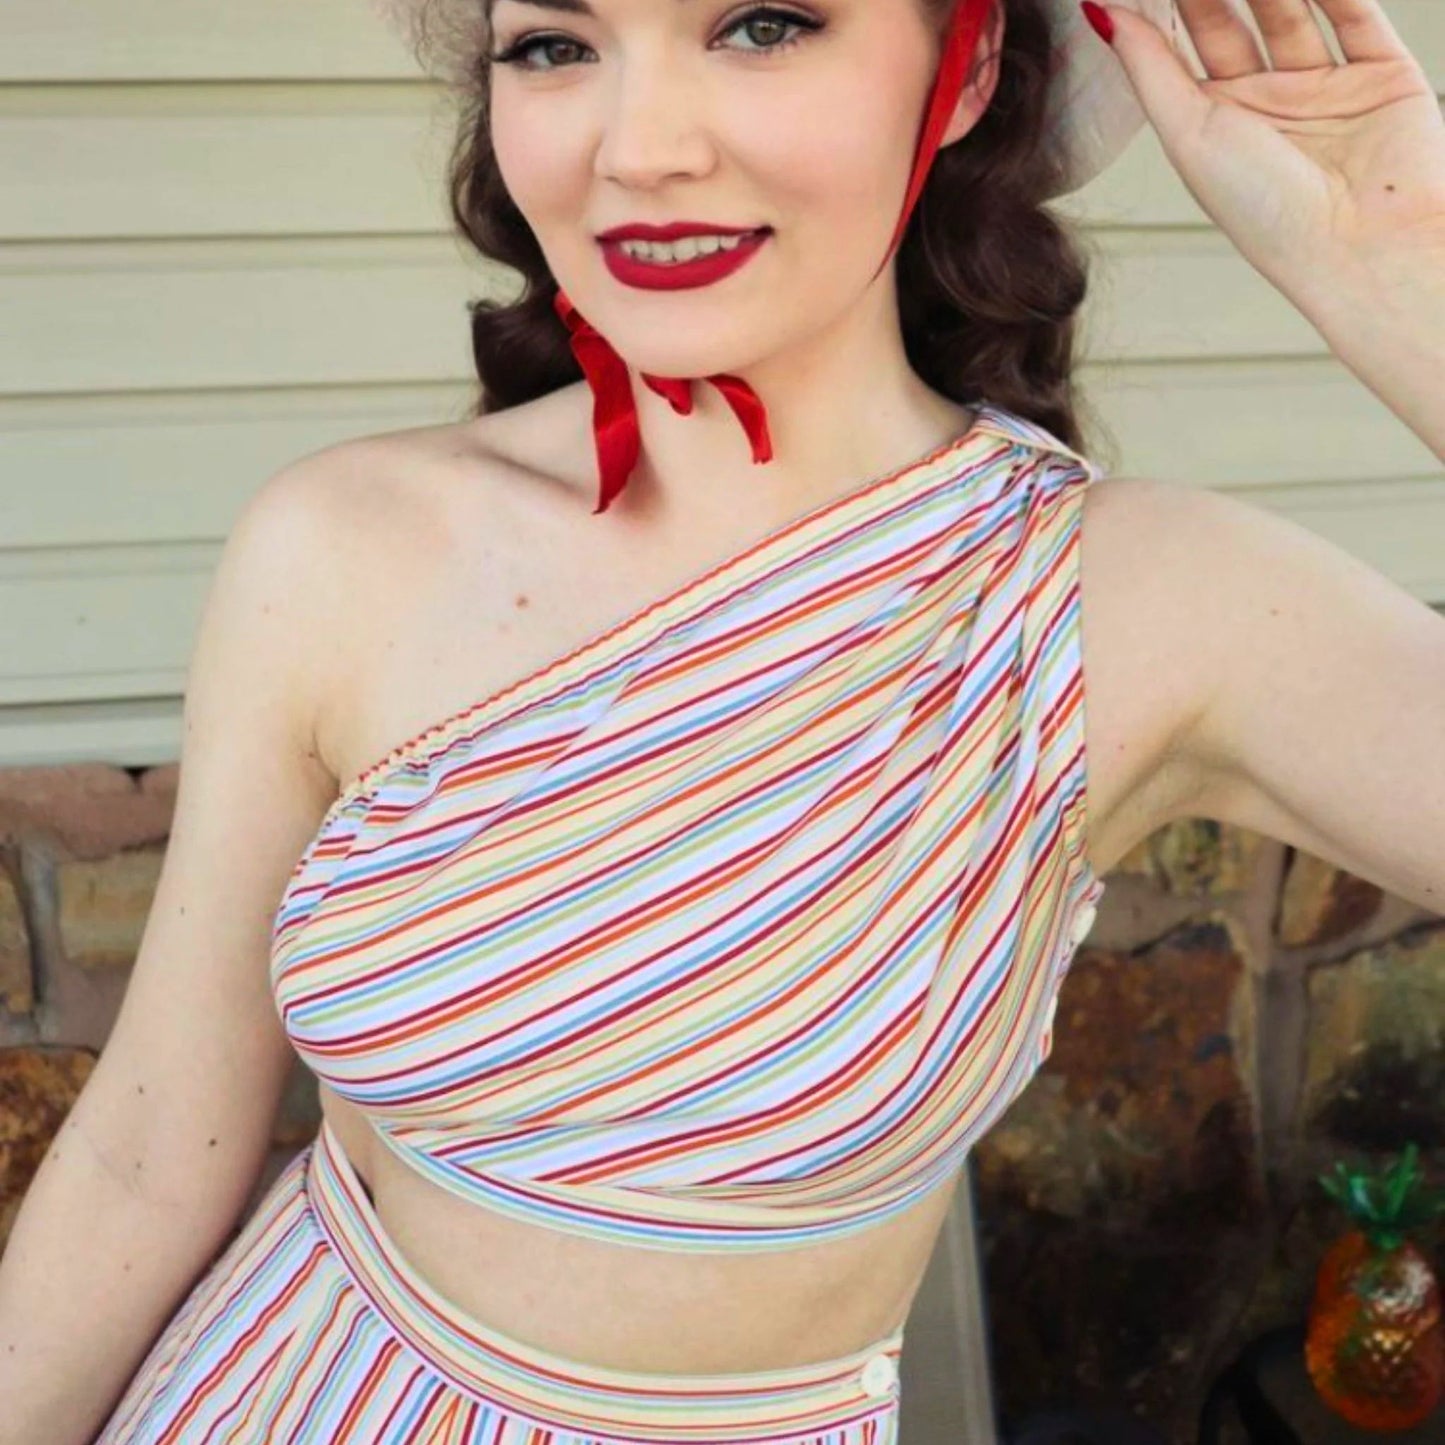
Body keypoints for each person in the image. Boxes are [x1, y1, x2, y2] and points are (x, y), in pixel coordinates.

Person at [2, 0, 1442, 1440]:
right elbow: (144, 1149)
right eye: (555, 45)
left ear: (965, 73)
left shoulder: (1123, 602)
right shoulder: (337, 543)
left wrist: (1395, 263)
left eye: (762, 24)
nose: (639, 148)